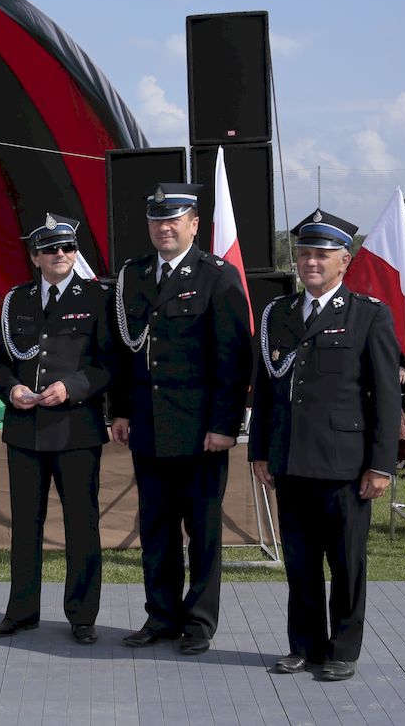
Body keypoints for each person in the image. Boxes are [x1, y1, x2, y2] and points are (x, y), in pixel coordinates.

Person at [250, 209, 401, 682]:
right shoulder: (278, 314)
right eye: (303, 254)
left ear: (344, 261)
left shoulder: (368, 314)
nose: (310, 263)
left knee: (346, 564)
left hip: (345, 466)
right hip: (291, 460)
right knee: (300, 564)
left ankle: (343, 650)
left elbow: (386, 398)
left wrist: (381, 465)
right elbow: (266, 388)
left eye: (321, 254)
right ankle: (305, 646)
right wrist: (260, 451)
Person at [110, 182, 252, 656]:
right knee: (156, 527)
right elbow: (123, 351)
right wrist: (120, 409)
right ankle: (161, 616)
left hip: (199, 430)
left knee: (203, 531)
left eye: (173, 220)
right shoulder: (132, 275)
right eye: (157, 220)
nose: (164, 228)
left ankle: (199, 623)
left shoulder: (217, 276)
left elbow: (234, 358)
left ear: (194, 224)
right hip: (148, 426)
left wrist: (225, 425)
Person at [0, 214, 116, 645]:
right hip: (25, 430)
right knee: (26, 526)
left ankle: (82, 616)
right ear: (35, 256)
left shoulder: (97, 297)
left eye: (68, 247)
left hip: (76, 430)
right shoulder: (16, 300)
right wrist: (12, 389)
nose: (61, 254)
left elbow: (109, 364)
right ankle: (22, 612)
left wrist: (71, 387)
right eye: (51, 249)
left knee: (82, 525)